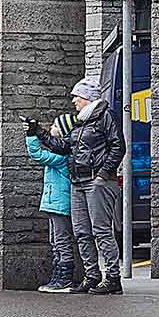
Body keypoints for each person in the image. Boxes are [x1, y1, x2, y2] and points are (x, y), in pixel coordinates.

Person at [33, 77, 124, 294]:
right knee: (82, 231)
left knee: (101, 230)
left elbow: (118, 146)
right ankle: (92, 276)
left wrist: (103, 174)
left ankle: (113, 278)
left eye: (77, 96)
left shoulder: (106, 117)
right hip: (78, 182)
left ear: (87, 97)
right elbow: (65, 147)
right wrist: (39, 132)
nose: (73, 100)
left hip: (97, 181)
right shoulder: (80, 122)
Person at [26, 110, 78, 294]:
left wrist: (32, 134)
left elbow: (37, 154)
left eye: (55, 126)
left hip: (59, 204)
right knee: (55, 240)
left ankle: (65, 278)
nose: (51, 128)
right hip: (54, 203)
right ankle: (57, 276)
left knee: (61, 241)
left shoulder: (61, 158)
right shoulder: (59, 154)